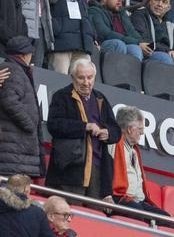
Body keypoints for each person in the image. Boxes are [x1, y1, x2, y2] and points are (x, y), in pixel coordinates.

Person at [46, 58, 120, 198]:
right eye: (81, 78)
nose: (86, 82)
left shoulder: (100, 98)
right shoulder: (61, 96)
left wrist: (108, 133)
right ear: (72, 77)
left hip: (97, 169)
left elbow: (116, 130)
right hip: (70, 169)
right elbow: (54, 125)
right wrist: (84, 126)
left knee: (93, 215)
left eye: (90, 77)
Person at [0, 36, 42, 178]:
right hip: (13, 150)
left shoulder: (11, 68)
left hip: (12, 150)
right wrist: (30, 124)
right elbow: (10, 101)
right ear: (24, 55)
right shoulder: (14, 70)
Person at [111, 107, 167, 216]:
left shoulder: (135, 151)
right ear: (130, 129)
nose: (142, 133)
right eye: (140, 129)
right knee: (138, 214)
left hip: (138, 202)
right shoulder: (113, 144)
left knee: (165, 217)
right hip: (120, 199)